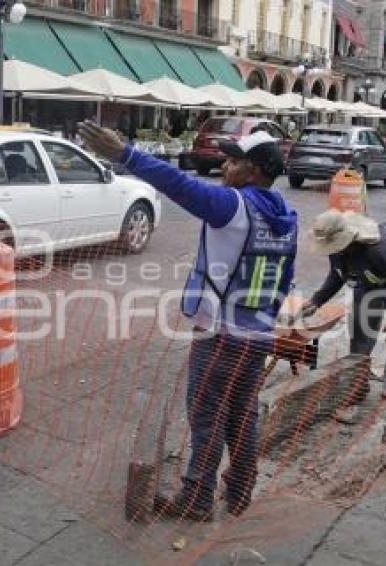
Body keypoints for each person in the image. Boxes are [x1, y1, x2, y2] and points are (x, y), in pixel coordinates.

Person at [78, 121, 298, 521]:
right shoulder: (288, 216)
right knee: (243, 413)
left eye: (235, 160)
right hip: (258, 334)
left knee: (206, 415)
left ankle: (197, 499)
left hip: (221, 336)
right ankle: (241, 488)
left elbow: (178, 184)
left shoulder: (234, 206)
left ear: (256, 171)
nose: (225, 166)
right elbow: (285, 280)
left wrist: (125, 154)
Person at [302, 210, 386, 399]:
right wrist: (317, 300)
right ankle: (358, 387)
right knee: (361, 332)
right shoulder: (337, 250)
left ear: (348, 241)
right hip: (369, 280)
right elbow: (337, 274)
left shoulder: (380, 249)